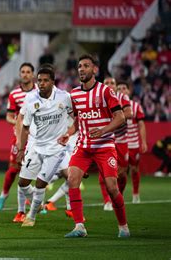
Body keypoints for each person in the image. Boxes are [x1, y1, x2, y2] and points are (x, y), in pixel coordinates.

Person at [58, 54, 129, 238]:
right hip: (83, 146)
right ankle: (79, 227)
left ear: (94, 70)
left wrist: (104, 130)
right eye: (79, 66)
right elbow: (77, 120)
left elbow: (120, 117)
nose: (81, 69)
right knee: (73, 180)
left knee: (112, 188)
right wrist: (68, 133)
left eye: (86, 66)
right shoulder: (74, 94)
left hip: (105, 146)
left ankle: (123, 226)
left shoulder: (105, 91)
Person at [15, 65, 73, 227]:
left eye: (45, 81)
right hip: (36, 147)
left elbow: (76, 119)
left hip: (55, 149)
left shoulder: (64, 97)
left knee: (41, 183)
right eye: (39, 80)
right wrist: (21, 149)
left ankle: (31, 216)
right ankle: (38, 203)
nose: (41, 83)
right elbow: (25, 126)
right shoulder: (30, 99)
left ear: (53, 82)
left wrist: (70, 135)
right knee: (23, 183)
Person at [0, 63, 36, 215]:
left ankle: (36, 202)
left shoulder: (40, 92)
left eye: (28, 72)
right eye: (22, 72)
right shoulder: (14, 94)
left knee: (35, 171)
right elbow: (9, 116)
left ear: (33, 75)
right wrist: (19, 122)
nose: (25, 74)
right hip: (19, 137)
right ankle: (3, 195)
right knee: (13, 170)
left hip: (38, 138)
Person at [100, 77, 132, 211]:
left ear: (116, 85)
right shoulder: (99, 98)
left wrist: (113, 118)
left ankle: (118, 196)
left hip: (121, 140)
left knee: (123, 173)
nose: (109, 85)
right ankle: (107, 201)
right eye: (106, 83)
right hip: (106, 140)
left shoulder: (121, 97)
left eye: (112, 83)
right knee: (104, 173)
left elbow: (129, 113)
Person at [117, 81, 147, 203]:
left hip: (133, 143)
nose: (122, 90)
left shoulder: (136, 106)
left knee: (134, 169)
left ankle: (135, 194)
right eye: (119, 88)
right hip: (120, 142)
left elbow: (141, 125)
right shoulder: (114, 106)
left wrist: (143, 142)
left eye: (124, 88)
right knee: (121, 172)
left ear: (129, 91)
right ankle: (119, 196)